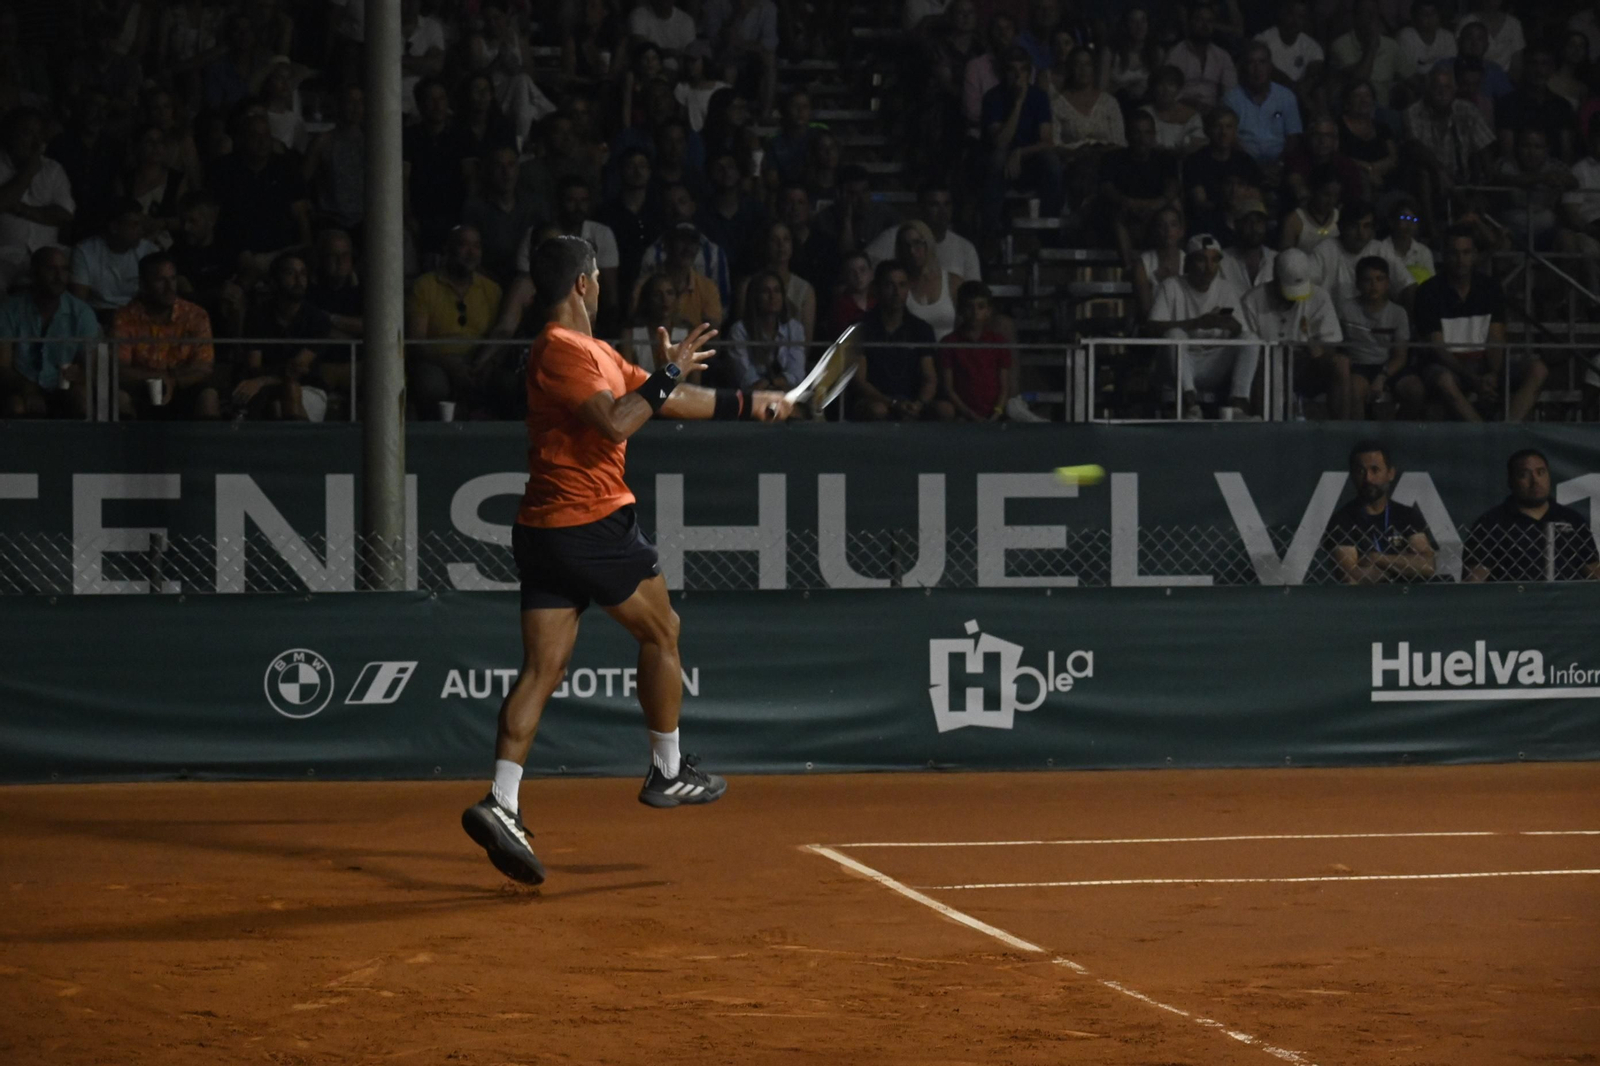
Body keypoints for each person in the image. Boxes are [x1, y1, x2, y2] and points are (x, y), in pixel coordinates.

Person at [459, 234, 794, 886]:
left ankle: (502, 801)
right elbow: (616, 422)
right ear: (584, 283)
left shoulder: (599, 353)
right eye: (596, 276)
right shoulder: (559, 349)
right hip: (589, 524)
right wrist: (667, 376)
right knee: (663, 631)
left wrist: (752, 405)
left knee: (543, 669)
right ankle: (667, 769)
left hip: (546, 531)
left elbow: (664, 401)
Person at [1412, 226, 1545, 422]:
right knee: (1444, 380)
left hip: (1484, 365)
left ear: (1475, 254)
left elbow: (1496, 338)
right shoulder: (1428, 291)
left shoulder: (1489, 287)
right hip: (1449, 366)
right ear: (1444, 255)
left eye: (1466, 253)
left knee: (1537, 369)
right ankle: (1483, 432)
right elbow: (1438, 347)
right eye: (1454, 253)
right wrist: (1472, 378)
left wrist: (1493, 374)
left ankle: (1508, 428)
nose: (1460, 260)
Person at [1145, 233, 1253, 420]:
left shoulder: (1225, 288)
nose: (1209, 268)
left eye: (1214, 261)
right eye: (1201, 260)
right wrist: (1197, 323)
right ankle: (1190, 404)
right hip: (1178, 366)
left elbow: (1240, 331)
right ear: (1188, 262)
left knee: (1250, 339)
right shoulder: (1171, 285)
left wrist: (1231, 325)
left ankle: (1238, 406)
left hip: (1214, 363)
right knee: (1175, 335)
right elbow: (1151, 328)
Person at [406, 224, 503, 420]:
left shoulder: (492, 290)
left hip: (478, 361)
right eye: (463, 245)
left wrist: (486, 364)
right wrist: (450, 365)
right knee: (431, 384)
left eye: (476, 246)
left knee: (504, 382)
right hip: (437, 361)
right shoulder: (425, 286)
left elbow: (500, 337)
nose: (471, 253)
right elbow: (416, 341)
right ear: (447, 249)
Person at [1465, 449, 1600, 582]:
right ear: (1511, 481)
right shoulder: (1491, 524)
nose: (1535, 481)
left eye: (1540, 472)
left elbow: (1594, 572)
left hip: (1565, 596)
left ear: (1548, 476)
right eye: (1524, 475)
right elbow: (1474, 583)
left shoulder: (1572, 520)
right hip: (1511, 597)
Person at [113, 252, 220, 420]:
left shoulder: (195, 315)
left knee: (208, 396)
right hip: (142, 390)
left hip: (183, 388)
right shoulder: (125, 317)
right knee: (120, 398)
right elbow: (120, 370)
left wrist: (173, 380)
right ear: (143, 285)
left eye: (173, 279)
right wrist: (157, 378)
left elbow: (204, 367)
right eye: (160, 280)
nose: (170, 287)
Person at [1242, 247, 1343, 419]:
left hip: (1308, 364)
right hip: (1267, 366)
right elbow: (1248, 350)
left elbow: (1332, 343)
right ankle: (1263, 427)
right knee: (1262, 367)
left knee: (1341, 364)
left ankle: (1342, 429)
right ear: (1275, 277)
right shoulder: (1252, 300)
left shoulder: (1320, 297)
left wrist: (1317, 349)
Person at [0, 246, 97, 418]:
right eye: (51, 269)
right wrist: (27, 388)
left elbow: (91, 365)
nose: (59, 277)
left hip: (64, 388)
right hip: (20, 386)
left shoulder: (82, 313)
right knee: (16, 406)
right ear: (34, 273)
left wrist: (80, 374)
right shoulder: (9, 310)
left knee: (83, 400)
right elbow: (3, 366)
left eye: (64, 270)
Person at [1323, 440, 1436, 584]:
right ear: (1352, 476)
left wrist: (1375, 558)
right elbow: (1351, 576)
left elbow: (1427, 565)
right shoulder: (1341, 520)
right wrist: (1404, 567)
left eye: (1375, 470)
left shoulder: (1407, 515)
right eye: (1361, 471)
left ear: (1390, 473)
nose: (1368, 478)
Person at [235, 253, 330, 421]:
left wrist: (262, 380)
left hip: (308, 387)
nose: (299, 280)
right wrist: (263, 380)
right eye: (290, 273)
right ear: (274, 280)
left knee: (289, 391)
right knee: (273, 406)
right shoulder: (258, 315)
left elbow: (297, 371)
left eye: (303, 273)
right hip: (264, 388)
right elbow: (254, 366)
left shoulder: (317, 319)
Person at [851, 259, 942, 421]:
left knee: (944, 410)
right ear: (877, 288)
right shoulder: (861, 327)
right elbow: (860, 381)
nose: (896, 292)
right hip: (874, 401)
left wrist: (919, 404)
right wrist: (892, 403)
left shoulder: (921, 328)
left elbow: (930, 378)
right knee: (878, 410)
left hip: (911, 401)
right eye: (889, 285)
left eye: (902, 285)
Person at [0, 107, 76, 292]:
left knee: (80, 266)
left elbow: (64, 214)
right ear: (10, 134)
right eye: (27, 133)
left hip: (47, 253)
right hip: (4, 255)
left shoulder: (53, 169)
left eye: (39, 135)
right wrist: (29, 170)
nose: (35, 142)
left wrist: (20, 209)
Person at [1097, 111, 1179, 267]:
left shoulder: (1165, 159)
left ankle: (1172, 266)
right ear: (1127, 135)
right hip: (1125, 213)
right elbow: (1106, 188)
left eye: (1147, 132)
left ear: (1153, 135)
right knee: (1116, 215)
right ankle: (1129, 269)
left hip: (1155, 213)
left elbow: (1172, 187)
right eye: (1137, 132)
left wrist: (1156, 204)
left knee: (1175, 207)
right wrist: (1127, 202)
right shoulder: (1112, 158)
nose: (1142, 138)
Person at [462, 145, 551, 285]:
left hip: (530, 281)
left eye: (511, 165)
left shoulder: (535, 205)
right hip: (487, 282)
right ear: (489, 170)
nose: (506, 172)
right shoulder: (475, 208)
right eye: (499, 166)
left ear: (518, 169)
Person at [1338, 257, 1412, 420]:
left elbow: (1400, 356)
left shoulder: (1398, 313)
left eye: (1379, 279)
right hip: (1358, 366)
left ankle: (1400, 431)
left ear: (1387, 283)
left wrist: (1382, 376)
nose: (1374, 285)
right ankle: (1360, 433)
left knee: (1414, 389)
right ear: (1358, 284)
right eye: (1367, 280)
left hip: (1388, 365)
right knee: (1354, 389)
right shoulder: (1345, 310)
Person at [864, 183, 982, 282]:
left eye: (947, 204)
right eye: (934, 205)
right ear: (920, 208)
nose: (943, 211)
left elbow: (974, 291)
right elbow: (863, 269)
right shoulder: (894, 237)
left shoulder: (965, 249)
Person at [1183, 107, 1265, 238]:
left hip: (1243, 222)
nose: (1223, 132)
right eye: (1217, 126)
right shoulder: (1195, 161)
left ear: (1235, 131)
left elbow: (1256, 199)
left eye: (1229, 127)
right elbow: (1200, 202)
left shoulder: (1245, 161)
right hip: (1208, 223)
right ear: (1207, 130)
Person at [1223, 41, 1303, 171]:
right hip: (1243, 167)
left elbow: (1293, 137)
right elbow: (1230, 140)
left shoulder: (1286, 96)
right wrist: (1253, 168)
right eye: (1251, 62)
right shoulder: (1231, 99)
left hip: (1280, 167)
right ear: (1244, 67)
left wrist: (1279, 165)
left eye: (1262, 62)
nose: (1257, 68)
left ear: (1270, 66)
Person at [69, 200, 160, 313]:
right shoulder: (85, 252)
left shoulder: (149, 251)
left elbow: (157, 294)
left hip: (136, 314)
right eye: (134, 225)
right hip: (98, 314)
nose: (140, 230)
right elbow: (78, 302)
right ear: (114, 227)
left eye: (141, 224)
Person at [940, 281, 1011, 421]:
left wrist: (997, 413)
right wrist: (970, 415)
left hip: (994, 415)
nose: (975, 313)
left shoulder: (998, 342)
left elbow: (1004, 387)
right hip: (962, 415)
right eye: (969, 307)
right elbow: (948, 389)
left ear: (989, 311)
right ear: (960, 310)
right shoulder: (949, 342)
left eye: (981, 307)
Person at [631, 222, 723, 328]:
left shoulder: (708, 288)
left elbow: (713, 332)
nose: (688, 248)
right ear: (667, 245)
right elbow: (635, 326)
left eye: (693, 242)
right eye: (681, 241)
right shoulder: (643, 285)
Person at [726, 270, 805, 392]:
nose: (772, 297)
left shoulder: (794, 328)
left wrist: (773, 383)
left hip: (787, 393)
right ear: (755, 296)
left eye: (777, 291)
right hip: (751, 397)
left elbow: (797, 372)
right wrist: (771, 385)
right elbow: (746, 378)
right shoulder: (739, 330)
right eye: (765, 291)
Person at [897, 220, 963, 342]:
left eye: (917, 243)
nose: (912, 251)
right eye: (906, 246)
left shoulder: (953, 282)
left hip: (948, 352)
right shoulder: (898, 285)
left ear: (928, 244)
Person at [1167, 1, 1236, 113]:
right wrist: (1190, 104)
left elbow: (1230, 91)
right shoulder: (1176, 53)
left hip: (1213, 114)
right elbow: (1168, 90)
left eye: (1209, 21)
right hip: (1181, 111)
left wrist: (1218, 110)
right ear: (1190, 22)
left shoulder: (1222, 56)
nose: (1205, 25)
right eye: (1199, 20)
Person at [1331, 0, 1402, 107]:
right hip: (1353, 109)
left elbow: (1412, 80)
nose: (1371, 18)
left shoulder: (1391, 45)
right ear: (1355, 16)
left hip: (1382, 110)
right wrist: (1371, 47)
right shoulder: (1340, 45)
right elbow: (1360, 80)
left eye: (1374, 13)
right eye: (1365, 13)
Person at [622, 273, 689, 372]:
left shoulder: (688, 334)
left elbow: (694, 380)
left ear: (676, 298)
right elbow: (626, 376)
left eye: (670, 293)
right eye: (657, 294)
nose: (664, 299)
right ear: (647, 299)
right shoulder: (630, 334)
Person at [1254, 0, 1323, 91]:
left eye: (1300, 17)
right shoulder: (1263, 40)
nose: (1295, 21)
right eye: (1291, 14)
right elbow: (1265, 70)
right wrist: (1292, 87)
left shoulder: (1313, 48)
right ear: (1282, 13)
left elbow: (1314, 74)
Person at [1142, 65, 1206, 154]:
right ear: (1153, 88)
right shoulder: (1144, 113)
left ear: (1178, 88)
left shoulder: (1193, 116)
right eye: (1160, 84)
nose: (1166, 90)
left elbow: (1198, 144)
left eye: (1171, 84)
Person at [1220, 201, 1276, 294]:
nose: (1254, 227)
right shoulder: (1222, 260)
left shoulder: (1275, 259)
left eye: (1259, 221)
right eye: (1247, 221)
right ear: (1237, 225)